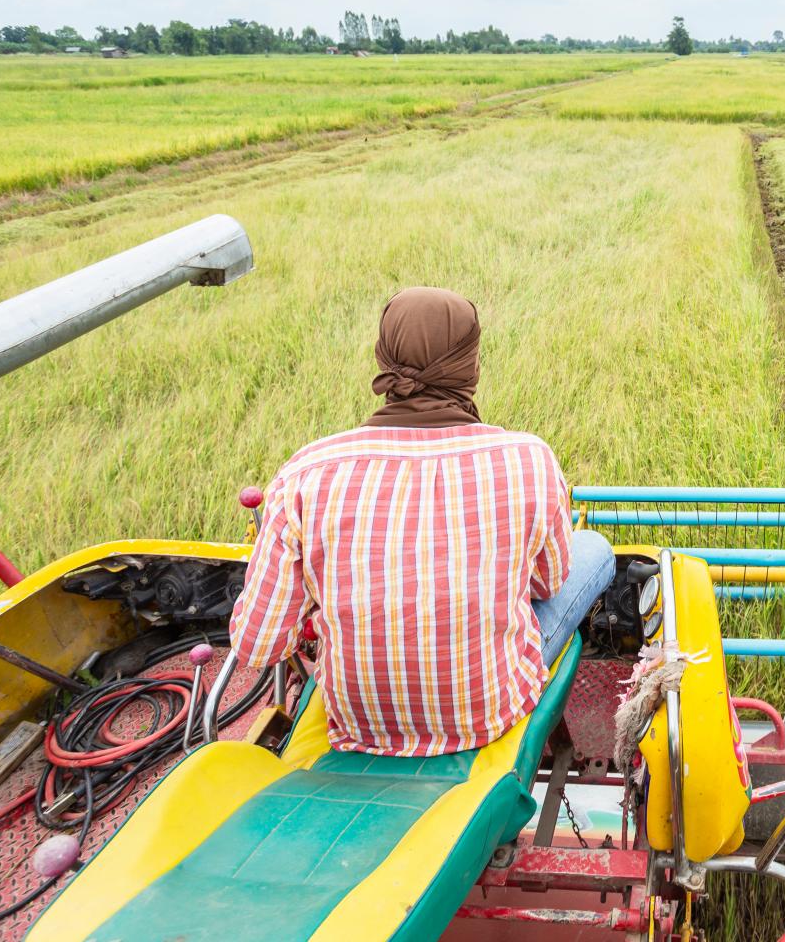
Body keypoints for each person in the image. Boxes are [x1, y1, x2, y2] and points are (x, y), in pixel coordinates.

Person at [230, 287, 613, 756]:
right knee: (593, 548)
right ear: (470, 368)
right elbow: (547, 583)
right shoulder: (527, 459)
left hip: (359, 725)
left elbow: (256, 645)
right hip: (488, 713)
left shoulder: (306, 472)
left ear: (383, 359)